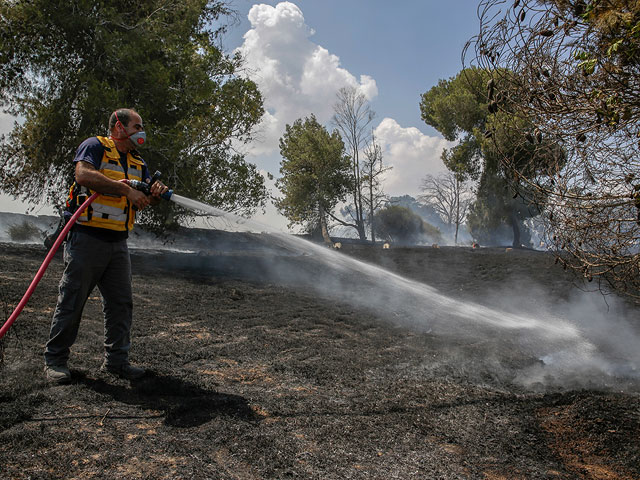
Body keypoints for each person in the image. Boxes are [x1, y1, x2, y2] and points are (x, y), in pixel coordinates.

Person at [44, 108, 169, 383]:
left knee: (121, 304)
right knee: (72, 301)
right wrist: (126, 190)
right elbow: (84, 176)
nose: (141, 131)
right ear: (119, 127)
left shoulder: (137, 161)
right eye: (137, 126)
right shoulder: (95, 146)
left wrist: (156, 193)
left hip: (118, 243)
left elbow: (145, 196)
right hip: (86, 239)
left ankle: (116, 362)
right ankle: (55, 360)